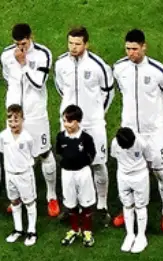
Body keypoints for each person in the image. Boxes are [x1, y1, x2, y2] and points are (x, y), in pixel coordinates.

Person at [113, 29, 163, 232]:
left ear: (144, 47)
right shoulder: (119, 68)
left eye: (135, 49)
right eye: (128, 49)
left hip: (153, 131)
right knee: (128, 169)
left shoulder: (159, 71)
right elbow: (122, 91)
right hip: (130, 131)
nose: (131, 53)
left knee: (160, 171)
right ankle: (127, 206)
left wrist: (154, 118)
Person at [54, 26, 114, 226]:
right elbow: (60, 87)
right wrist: (71, 117)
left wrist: (97, 114)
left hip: (93, 123)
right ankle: (72, 206)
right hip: (69, 123)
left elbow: (108, 92)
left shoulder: (99, 66)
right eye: (70, 43)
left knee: (97, 163)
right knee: (70, 164)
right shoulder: (61, 63)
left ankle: (102, 205)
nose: (73, 47)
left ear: (86, 44)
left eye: (77, 44)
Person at [1, 23, 58, 218]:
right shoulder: (6, 55)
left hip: (35, 113)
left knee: (44, 153)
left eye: (24, 43)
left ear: (30, 37)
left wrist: (24, 63)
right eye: (17, 43)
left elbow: (39, 82)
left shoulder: (43, 54)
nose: (21, 47)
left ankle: (51, 196)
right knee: (14, 153)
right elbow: (9, 79)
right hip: (14, 114)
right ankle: (18, 197)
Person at [56, 105, 97, 247]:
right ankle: (74, 229)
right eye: (64, 121)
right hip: (67, 173)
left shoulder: (86, 138)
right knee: (70, 203)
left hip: (83, 172)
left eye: (68, 121)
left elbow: (92, 154)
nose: (65, 124)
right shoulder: (61, 137)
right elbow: (59, 152)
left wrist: (82, 163)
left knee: (86, 203)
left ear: (77, 121)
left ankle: (87, 231)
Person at [0, 104, 37, 245]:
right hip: (10, 175)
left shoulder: (27, 138)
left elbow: (31, 154)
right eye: (10, 121)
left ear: (22, 120)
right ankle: (18, 229)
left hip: (24, 175)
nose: (13, 124)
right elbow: (3, 152)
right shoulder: (3, 136)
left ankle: (32, 231)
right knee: (14, 201)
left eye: (16, 120)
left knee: (29, 202)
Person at [111, 127, 152, 253]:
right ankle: (130, 234)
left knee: (140, 206)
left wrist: (144, 173)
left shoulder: (142, 142)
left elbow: (149, 160)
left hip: (139, 176)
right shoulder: (115, 143)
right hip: (123, 176)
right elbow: (115, 157)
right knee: (127, 205)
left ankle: (141, 236)